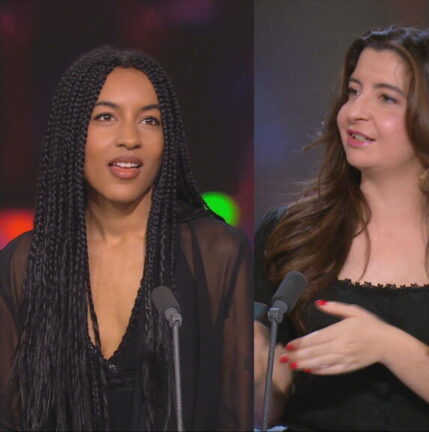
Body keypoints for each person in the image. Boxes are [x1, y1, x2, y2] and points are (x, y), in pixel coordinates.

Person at [254, 25, 429, 431]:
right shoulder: (289, 234)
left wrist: (390, 347)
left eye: (386, 97)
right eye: (353, 91)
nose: (354, 112)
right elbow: (266, 405)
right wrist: (253, 376)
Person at [0, 47, 253, 430]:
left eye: (150, 120)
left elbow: (236, 414)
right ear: (72, 133)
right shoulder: (23, 263)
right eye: (106, 117)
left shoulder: (216, 253)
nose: (130, 138)